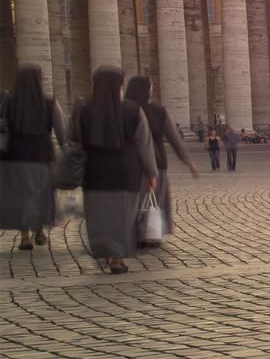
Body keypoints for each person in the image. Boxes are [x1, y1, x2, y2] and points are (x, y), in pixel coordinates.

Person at [71, 67, 158, 275]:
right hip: (126, 174)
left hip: (94, 173)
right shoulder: (133, 110)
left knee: (99, 215)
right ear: (120, 85)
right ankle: (117, 259)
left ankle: (107, 252)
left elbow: (74, 140)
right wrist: (151, 173)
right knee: (124, 216)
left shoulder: (83, 110)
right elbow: (144, 145)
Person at [123, 75, 196, 242]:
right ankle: (151, 233)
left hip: (130, 164)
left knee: (133, 201)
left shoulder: (123, 110)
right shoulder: (158, 111)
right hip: (156, 164)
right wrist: (187, 160)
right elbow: (174, 138)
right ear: (147, 90)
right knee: (156, 200)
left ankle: (133, 232)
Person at [3, 66, 64, 251]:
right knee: (41, 194)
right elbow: (61, 129)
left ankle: (25, 236)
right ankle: (39, 230)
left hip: (16, 157)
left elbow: (2, 126)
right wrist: (66, 148)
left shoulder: (9, 101)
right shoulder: (49, 101)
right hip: (42, 156)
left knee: (21, 195)